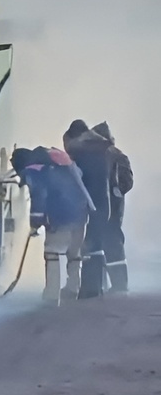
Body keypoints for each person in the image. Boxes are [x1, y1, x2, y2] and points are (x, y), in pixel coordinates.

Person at [11, 145, 94, 306]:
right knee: (74, 253)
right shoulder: (56, 163)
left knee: (52, 253)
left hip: (60, 215)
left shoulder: (33, 170)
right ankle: (73, 289)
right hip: (81, 212)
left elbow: (39, 196)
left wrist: (35, 224)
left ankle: (51, 295)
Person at [63, 119, 114, 299]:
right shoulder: (100, 149)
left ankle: (90, 289)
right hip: (102, 201)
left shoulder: (83, 153)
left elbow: (79, 180)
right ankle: (97, 286)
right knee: (96, 243)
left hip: (91, 202)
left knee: (90, 245)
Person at [92, 121, 133, 293]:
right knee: (111, 242)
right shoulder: (116, 155)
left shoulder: (110, 156)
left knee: (109, 242)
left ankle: (116, 285)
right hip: (112, 206)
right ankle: (117, 284)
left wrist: (116, 190)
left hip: (107, 206)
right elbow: (127, 181)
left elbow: (126, 182)